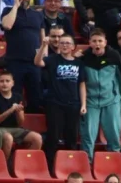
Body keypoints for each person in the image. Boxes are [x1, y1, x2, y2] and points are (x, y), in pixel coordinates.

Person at [36, 31, 86, 168]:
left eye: (67, 43)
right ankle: (50, 166)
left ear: (73, 47)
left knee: (72, 137)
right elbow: (37, 62)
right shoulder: (52, 59)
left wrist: (83, 104)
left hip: (74, 104)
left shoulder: (79, 63)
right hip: (55, 104)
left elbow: (81, 84)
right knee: (53, 136)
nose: (64, 45)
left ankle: (71, 166)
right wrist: (43, 46)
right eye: (62, 43)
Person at [80, 27, 121, 157]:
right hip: (90, 101)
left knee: (113, 133)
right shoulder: (84, 57)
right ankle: (87, 162)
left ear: (105, 42)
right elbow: (79, 82)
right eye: (94, 41)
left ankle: (114, 160)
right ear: (90, 43)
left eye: (100, 41)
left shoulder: (114, 55)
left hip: (111, 100)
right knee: (88, 134)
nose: (97, 44)